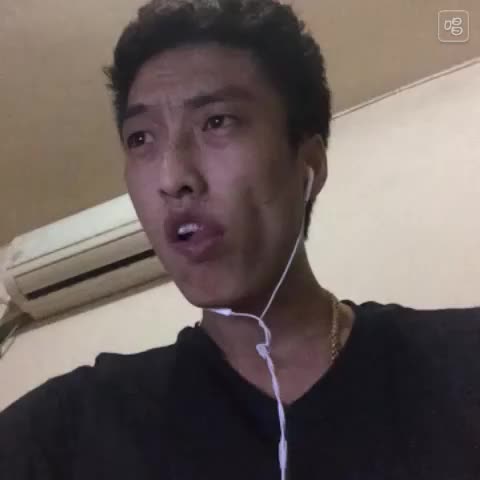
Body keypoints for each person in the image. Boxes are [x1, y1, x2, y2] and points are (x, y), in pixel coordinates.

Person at [1, 0, 479, 478]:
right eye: (141, 138)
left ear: (309, 166)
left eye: (217, 121)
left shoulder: (461, 363)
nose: (172, 177)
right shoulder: (66, 433)